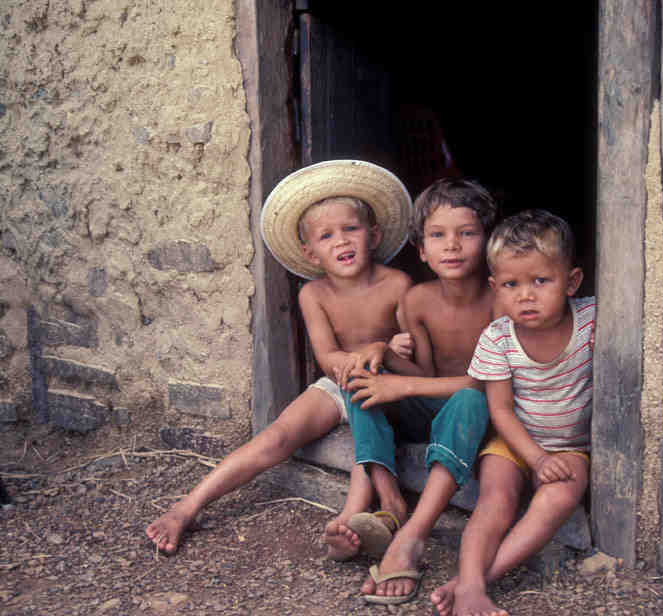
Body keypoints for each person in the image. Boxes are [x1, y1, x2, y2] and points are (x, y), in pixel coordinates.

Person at [145, 160, 415, 561]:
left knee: (367, 430)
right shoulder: (314, 295)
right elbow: (327, 358)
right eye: (326, 236)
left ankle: (348, 519)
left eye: (351, 229)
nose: (341, 241)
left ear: (373, 235)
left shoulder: (399, 285)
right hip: (336, 381)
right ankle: (187, 506)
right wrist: (360, 355)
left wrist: (395, 347)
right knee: (275, 438)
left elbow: (413, 355)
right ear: (310, 252)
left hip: (385, 386)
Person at [341, 178, 500, 605]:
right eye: (438, 235)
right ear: (422, 250)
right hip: (436, 409)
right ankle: (389, 496)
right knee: (360, 376)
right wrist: (380, 353)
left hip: (483, 416)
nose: (452, 246)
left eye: (466, 233)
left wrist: (402, 383)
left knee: (469, 398)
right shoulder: (417, 300)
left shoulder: (499, 298)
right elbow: (425, 371)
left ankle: (414, 534)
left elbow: (486, 384)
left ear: (487, 242)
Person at [431, 209, 595, 616]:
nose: (526, 294)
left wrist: (552, 459)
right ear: (495, 289)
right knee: (496, 499)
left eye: (541, 281)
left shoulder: (592, 320)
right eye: (511, 284)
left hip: (570, 446)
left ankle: (478, 582)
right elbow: (500, 410)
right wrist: (536, 458)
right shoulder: (498, 338)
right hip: (513, 439)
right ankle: (469, 582)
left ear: (571, 281)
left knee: (559, 496)